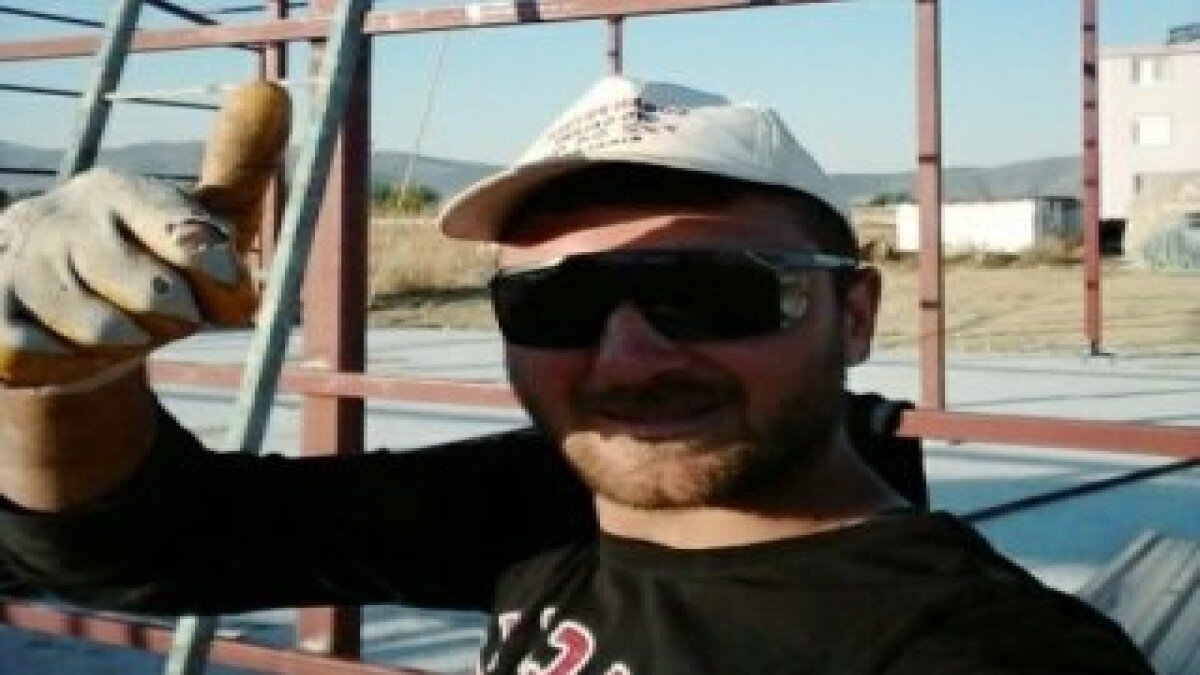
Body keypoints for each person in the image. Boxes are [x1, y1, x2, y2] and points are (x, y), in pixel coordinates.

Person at [0, 76, 1150, 673]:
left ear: (853, 315)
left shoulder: (970, 648)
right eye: (552, 303)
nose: (626, 358)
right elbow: (139, 545)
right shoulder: (547, 510)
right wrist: (64, 378)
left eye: (712, 292)